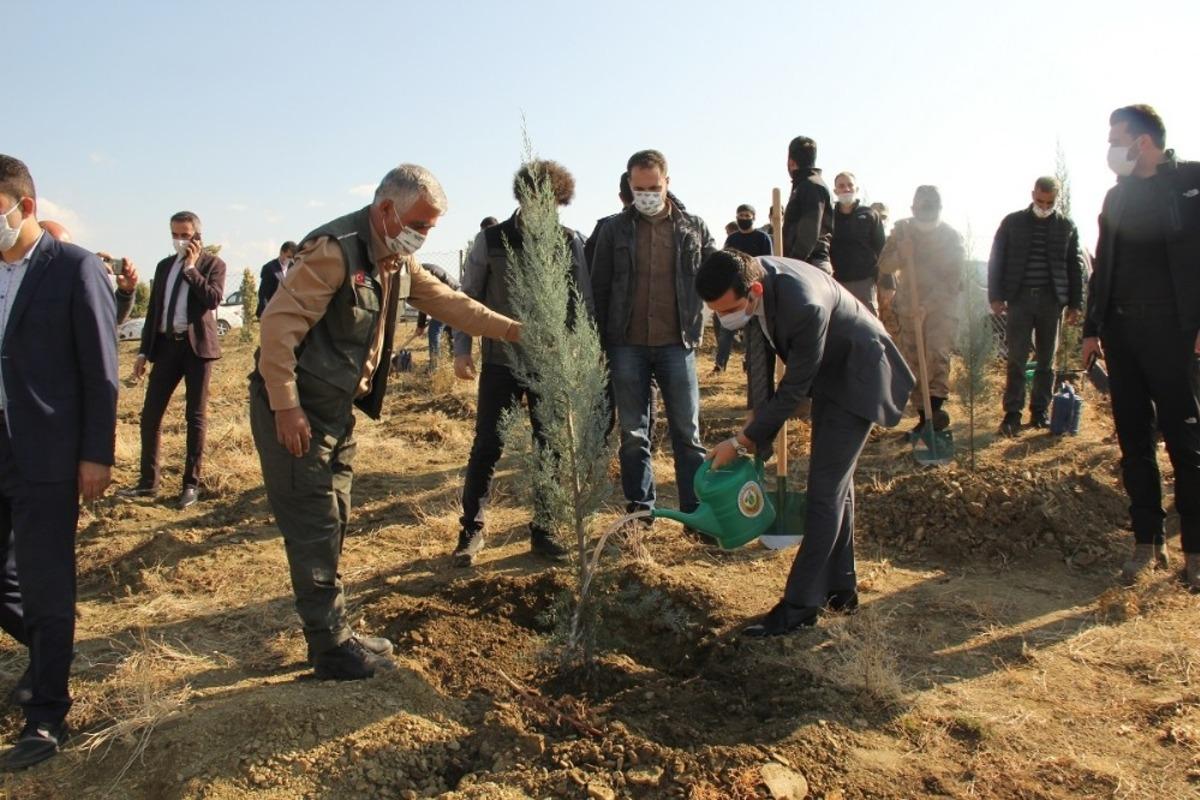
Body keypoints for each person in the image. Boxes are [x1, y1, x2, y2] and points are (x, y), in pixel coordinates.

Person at [250, 164, 522, 680]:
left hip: (335, 410)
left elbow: (451, 303)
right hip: (297, 410)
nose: (425, 235)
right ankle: (329, 648)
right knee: (315, 523)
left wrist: (513, 331)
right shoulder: (335, 251)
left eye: (432, 228)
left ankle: (337, 631)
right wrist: (285, 406)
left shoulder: (397, 259)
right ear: (386, 210)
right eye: (421, 223)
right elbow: (278, 327)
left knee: (337, 514)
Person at [696, 250, 913, 635]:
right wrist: (755, 418)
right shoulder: (751, 277)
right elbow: (762, 353)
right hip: (831, 375)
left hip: (858, 375)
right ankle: (840, 591)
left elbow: (794, 387)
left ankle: (799, 608)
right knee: (836, 490)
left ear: (755, 291)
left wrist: (742, 441)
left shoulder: (803, 305)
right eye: (716, 312)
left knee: (823, 494)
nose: (725, 320)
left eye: (728, 310)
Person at [0, 155, 118, 770]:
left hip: (48, 453)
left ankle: (45, 717)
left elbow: (102, 372)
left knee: (48, 586)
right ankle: (51, 650)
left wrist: (96, 454)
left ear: (23, 206)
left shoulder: (73, 268)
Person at [1081, 105, 1200, 590]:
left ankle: (1195, 551)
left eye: (1117, 138)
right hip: (1122, 334)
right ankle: (1147, 542)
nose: (1111, 148)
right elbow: (1102, 264)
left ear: (1143, 142)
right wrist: (1092, 329)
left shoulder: (1191, 185)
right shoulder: (1117, 197)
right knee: (1134, 441)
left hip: (1175, 333)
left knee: (1186, 441)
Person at [452, 160, 593, 565]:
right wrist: (462, 349)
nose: (544, 209)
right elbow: (467, 298)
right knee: (487, 446)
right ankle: (471, 530)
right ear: (523, 197)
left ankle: (545, 530)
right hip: (500, 362)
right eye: (537, 200)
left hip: (550, 367)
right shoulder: (491, 240)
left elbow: (580, 303)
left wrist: (578, 356)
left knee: (551, 447)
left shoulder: (569, 241)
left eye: (553, 203)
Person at [590, 149, 715, 526]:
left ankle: (696, 513)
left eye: (654, 187)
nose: (647, 194)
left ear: (667, 183)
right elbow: (599, 289)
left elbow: (715, 277)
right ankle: (640, 512)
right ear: (629, 185)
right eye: (639, 187)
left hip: (678, 343)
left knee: (687, 433)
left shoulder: (693, 227)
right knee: (633, 433)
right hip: (626, 344)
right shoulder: (613, 229)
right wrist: (598, 344)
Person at [120, 211, 225, 510]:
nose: (179, 240)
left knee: (195, 417)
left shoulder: (212, 265)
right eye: (175, 234)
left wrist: (191, 269)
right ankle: (147, 483)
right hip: (166, 347)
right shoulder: (164, 266)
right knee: (150, 416)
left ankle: (190, 485)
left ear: (197, 236)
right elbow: (155, 311)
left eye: (185, 235)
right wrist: (143, 352)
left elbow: (213, 299)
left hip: (196, 349)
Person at [988, 177, 1086, 435]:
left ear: (1057, 199)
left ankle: (1040, 411)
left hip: (1050, 301)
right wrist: (996, 297)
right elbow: (997, 259)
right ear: (1033, 194)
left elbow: (1074, 266)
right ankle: (1012, 413)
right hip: (1019, 299)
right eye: (1040, 201)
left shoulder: (1066, 226)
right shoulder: (1013, 223)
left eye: (1050, 202)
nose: (1044, 206)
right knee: (1016, 358)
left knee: (1046, 360)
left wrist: (1076, 302)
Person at [877, 186, 965, 431]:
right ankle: (924, 416)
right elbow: (884, 265)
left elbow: (952, 281)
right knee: (913, 361)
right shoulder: (903, 230)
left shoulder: (951, 238)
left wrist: (927, 306)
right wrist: (902, 255)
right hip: (909, 306)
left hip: (939, 309)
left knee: (936, 356)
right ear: (913, 209)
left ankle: (935, 412)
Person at [713, 204, 774, 372]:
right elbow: (725, 263)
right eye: (741, 215)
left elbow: (767, 263)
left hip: (755, 289)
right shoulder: (732, 239)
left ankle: (749, 363)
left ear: (754, 217)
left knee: (752, 329)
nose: (744, 218)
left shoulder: (763, 238)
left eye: (747, 215)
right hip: (735, 290)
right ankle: (720, 365)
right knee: (726, 329)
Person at [830, 172, 886, 315]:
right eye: (841, 186)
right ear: (835, 191)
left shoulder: (870, 215)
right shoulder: (828, 217)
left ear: (856, 189)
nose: (846, 189)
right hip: (837, 284)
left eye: (850, 185)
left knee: (870, 330)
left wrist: (887, 284)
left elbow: (883, 250)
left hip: (865, 284)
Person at [782, 136, 833, 273]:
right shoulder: (806, 185)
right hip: (805, 262)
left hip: (809, 264)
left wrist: (793, 263)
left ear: (791, 162)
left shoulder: (810, 186)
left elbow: (809, 231)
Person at [414, 262, 459, 371]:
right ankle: (450, 364)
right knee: (448, 331)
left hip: (450, 296)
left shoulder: (421, 274)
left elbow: (423, 302)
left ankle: (435, 367)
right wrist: (421, 324)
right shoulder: (421, 270)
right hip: (455, 293)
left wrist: (420, 325)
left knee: (434, 330)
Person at [257, 241, 297, 318]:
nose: (291, 260)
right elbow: (263, 294)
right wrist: (266, 313)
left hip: (289, 310)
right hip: (273, 311)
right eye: (288, 257)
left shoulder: (294, 267)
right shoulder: (269, 268)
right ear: (281, 252)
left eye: (293, 257)